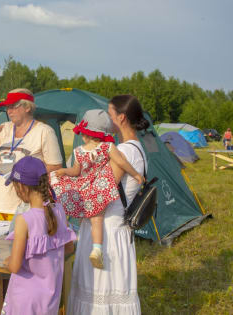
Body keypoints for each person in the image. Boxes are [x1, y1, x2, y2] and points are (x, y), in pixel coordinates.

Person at [67, 95, 149, 315]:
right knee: (112, 292)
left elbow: (100, 192)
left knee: (100, 292)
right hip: (116, 228)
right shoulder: (137, 148)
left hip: (106, 230)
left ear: (121, 118)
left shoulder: (123, 152)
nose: (107, 120)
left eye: (110, 115)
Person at [50, 109, 143, 269]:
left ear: (84, 134)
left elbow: (76, 172)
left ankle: (70, 235)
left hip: (83, 190)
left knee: (83, 215)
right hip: (99, 190)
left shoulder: (78, 152)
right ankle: (97, 249)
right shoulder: (108, 147)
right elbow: (121, 163)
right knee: (97, 219)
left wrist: (64, 171)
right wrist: (136, 174)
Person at [1, 156, 76, 315]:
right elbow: (69, 249)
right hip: (49, 299)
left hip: (24, 299)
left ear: (21, 187)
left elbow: (14, 266)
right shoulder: (59, 212)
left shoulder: (24, 220)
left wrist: (8, 261)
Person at [0, 88, 63, 221]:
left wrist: (26, 173)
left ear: (27, 108)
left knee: (21, 241)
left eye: (13, 106)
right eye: (8, 107)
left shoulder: (44, 132)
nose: (9, 110)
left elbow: (56, 165)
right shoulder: (4, 128)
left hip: (25, 205)